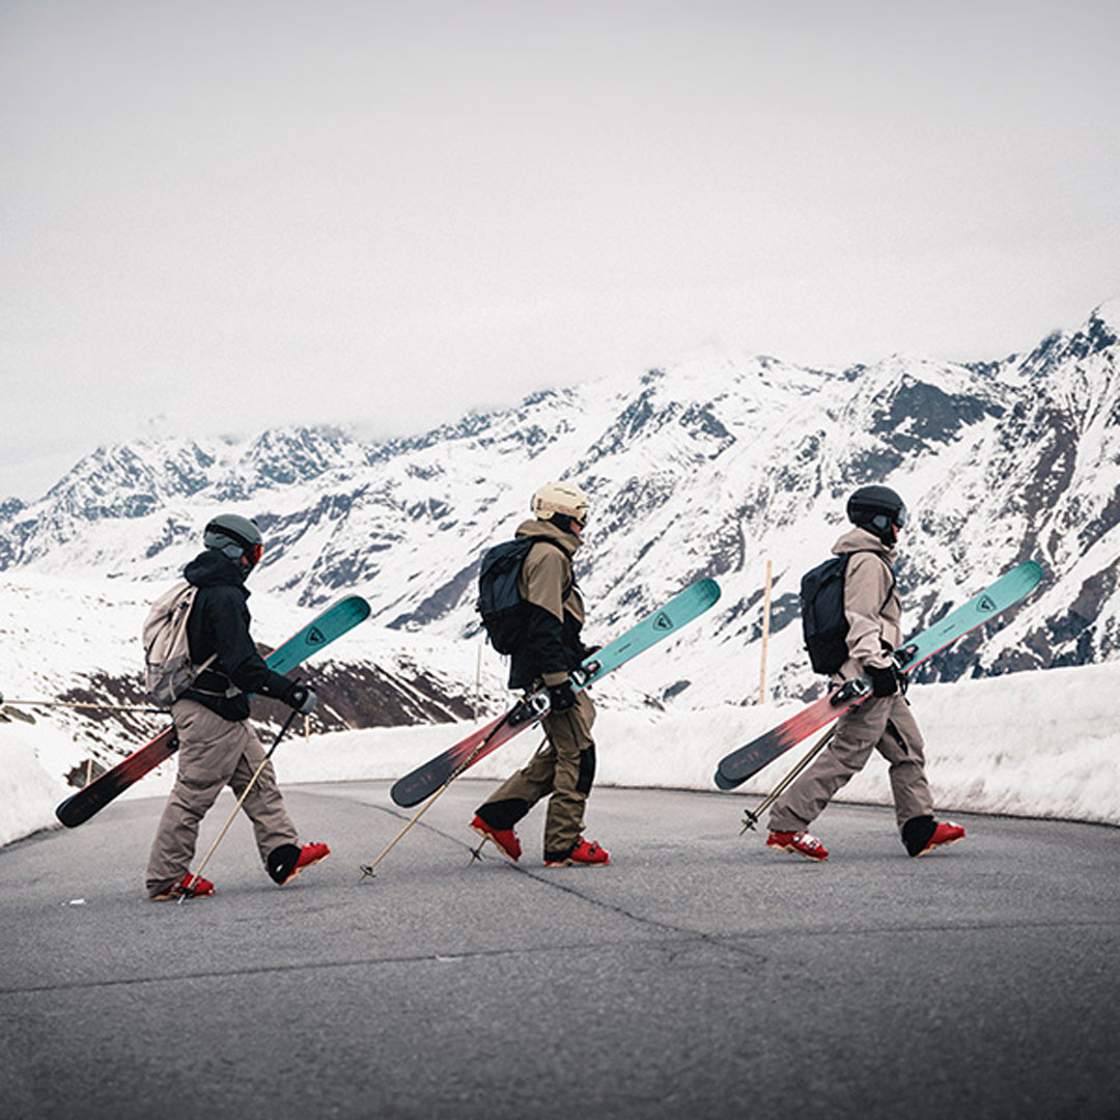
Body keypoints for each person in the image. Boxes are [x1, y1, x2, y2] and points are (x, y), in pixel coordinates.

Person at [766, 485, 966, 861]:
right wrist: (875, 663)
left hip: (880, 673)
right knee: (848, 754)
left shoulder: (868, 559)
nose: (900, 527)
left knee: (908, 748)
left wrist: (886, 665)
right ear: (878, 519)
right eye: (897, 519)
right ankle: (787, 823)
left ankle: (919, 827)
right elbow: (861, 618)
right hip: (868, 676)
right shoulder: (868, 563)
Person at [145, 514, 329, 900]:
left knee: (258, 780)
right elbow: (242, 666)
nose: (254, 561)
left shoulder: (200, 588)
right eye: (254, 553)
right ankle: (166, 877)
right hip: (210, 713)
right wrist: (290, 693)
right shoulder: (223, 596)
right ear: (234, 551)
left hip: (220, 709)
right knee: (193, 795)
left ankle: (282, 854)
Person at [470, 482, 610, 868]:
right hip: (547, 672)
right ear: (560, 517)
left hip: (547, 666)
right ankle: (563, 844)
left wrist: (574, 654)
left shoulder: (542, 551)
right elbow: (543, 620)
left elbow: (552, 621)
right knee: (579, 755)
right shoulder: (549, 556)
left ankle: (497, 816)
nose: (582, 526)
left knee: (566, 748)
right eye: (579, 518)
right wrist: (556, 678)